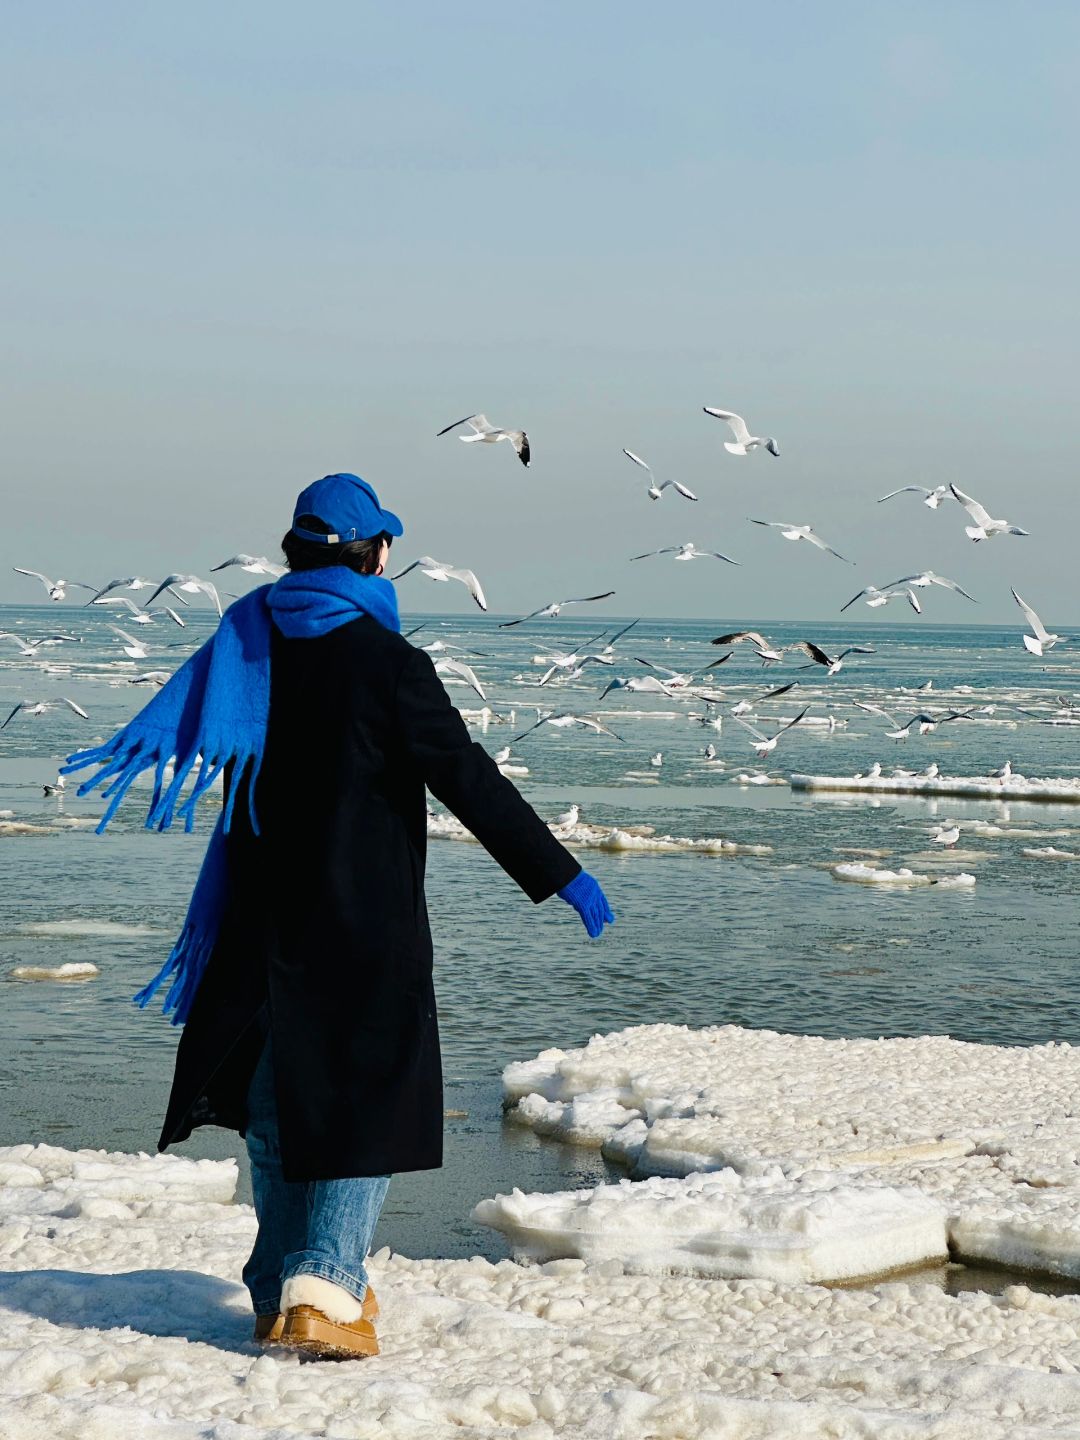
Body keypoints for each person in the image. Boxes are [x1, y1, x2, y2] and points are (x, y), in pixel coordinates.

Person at [63, 472, 614, 1361]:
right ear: (378, 553)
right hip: (360, 924)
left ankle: (279, 1287)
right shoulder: (388, 663)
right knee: (364, 1102)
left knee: (281, 1105)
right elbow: (465, 777)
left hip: (254, 912)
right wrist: (562, 875)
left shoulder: (248, 637)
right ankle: (321, 1286)